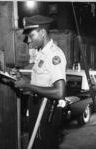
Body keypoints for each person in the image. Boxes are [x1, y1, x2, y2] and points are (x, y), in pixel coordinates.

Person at [14, 15, 67, 148]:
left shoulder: (54, 55)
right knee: (36, 144)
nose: (28, 40)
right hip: (37, 106)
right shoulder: (41, 53)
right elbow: (40, 82)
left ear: (42, 33)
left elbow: (59, 92)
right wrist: (23, 79)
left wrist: (27, 85)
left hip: (47, 109)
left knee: (44, 144)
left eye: (31, 35)